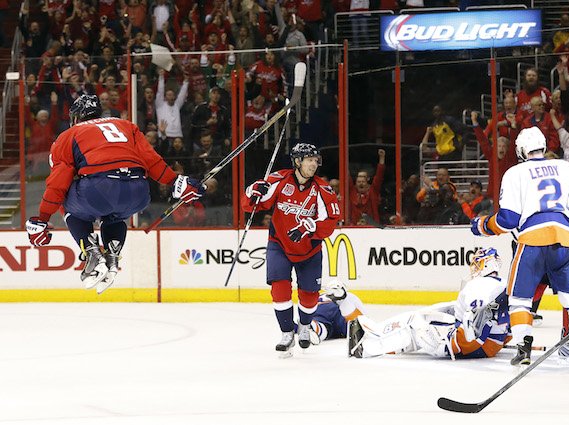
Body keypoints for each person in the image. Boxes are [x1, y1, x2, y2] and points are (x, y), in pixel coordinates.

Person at [25, 95, 206, 294]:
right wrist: (175, 182)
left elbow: (58, 183)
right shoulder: (126, 125)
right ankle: (112, 252)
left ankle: (92, 251)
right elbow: (151, 160)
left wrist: (42, 218)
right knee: (114, 214)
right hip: (138, 193)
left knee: (66, 198)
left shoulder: (68, 135)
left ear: (76, 117)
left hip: (99, 190)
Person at [470, 126, 569, 368]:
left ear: (521, 150)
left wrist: (482, 226)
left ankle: (523, 348)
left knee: (520, 299)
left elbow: (508, 220)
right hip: (568, 239)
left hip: (533, 240)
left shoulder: (515, 173)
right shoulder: (567, 168)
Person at [240, 143, 340, 357]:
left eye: (316, 160)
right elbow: (251, 206)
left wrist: (310, 226)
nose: (314, 164)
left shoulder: (323, 189)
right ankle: (287, 333)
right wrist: (253, 191)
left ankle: (304, 326)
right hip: (280, 244)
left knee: (310, 296)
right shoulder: (279, 180)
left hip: (309, 250)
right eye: (309, 159)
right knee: (279, 288)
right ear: (297, 161)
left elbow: (331, 221)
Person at [348, 248, 509, 359]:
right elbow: (504, 323)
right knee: (443, 308)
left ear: (487, 265)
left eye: (477, 264)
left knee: (416, 322)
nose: (474, 268)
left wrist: (446, 348)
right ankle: (376, 333)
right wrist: (500, 341)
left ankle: (369, 347)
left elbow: (475, 329)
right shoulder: (503, 284)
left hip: (476, 348)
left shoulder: (478, 286)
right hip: (492, 345)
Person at [348, 149, 385, 225]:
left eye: (363, 182)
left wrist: (382, 158)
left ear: (367, 182)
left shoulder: (373, 190)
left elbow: (379, 176)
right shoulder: (351, 191)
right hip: (353, 228)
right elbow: (345, 175)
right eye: (358, 182)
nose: (361, 184)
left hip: (373, 227)